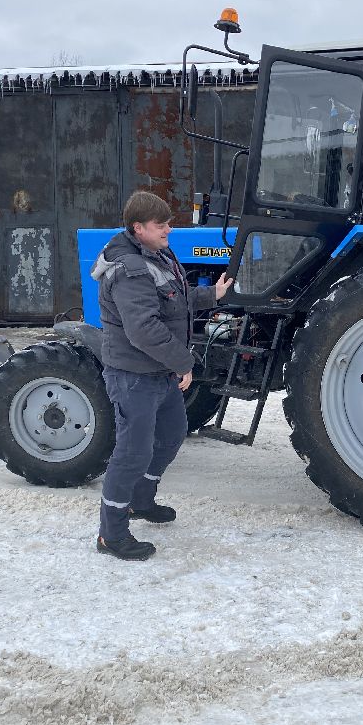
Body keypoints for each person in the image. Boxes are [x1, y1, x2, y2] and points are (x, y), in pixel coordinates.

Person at [90, 190, 233, 561]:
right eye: (161, 224)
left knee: (170, 436)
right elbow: (144, 330)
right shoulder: (129, 270)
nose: (169, 229)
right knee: (132, 453)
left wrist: (211, 295)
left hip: (158, 373)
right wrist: (183, 362)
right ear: (138, 228)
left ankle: (141, 501)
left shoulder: (157, 255)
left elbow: (174, 300)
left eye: (169, 222)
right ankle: (112, 533)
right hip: (134, 375)